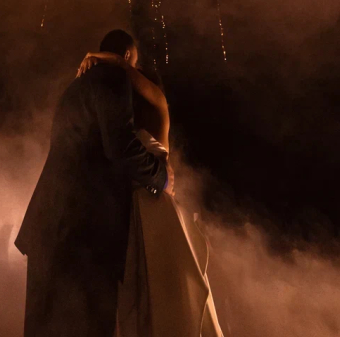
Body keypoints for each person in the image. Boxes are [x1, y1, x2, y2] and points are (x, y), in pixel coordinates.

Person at [15, 29, 170, 337]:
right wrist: (160, 178)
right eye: (134, 63)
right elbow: (120, 146)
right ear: (126, 57)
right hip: (82, 232)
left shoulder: (74, 88)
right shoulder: (114, 79)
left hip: (48, 226)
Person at [76, 49, 224, 337]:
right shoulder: (127, 124)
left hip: (155, 208)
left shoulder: (158, 104)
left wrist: (111, 59)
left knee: (163, 296)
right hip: (136, 208)